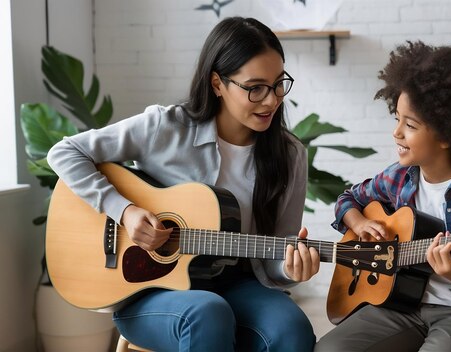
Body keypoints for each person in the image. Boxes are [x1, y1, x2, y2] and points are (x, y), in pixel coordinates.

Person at [48, 17, 319, 352]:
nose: (271, 100)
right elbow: (65, 152)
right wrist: (125, 212)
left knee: (293, 331)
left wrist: (293, 267)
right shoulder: (165, 126)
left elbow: (279, 249)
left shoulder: (290, 155)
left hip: (238, 283)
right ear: (217, 83)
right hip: (148, 289)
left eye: (279, 84)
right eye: (255, 88)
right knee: (207, 312)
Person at [315, 41, 451, 352]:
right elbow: (348, 199)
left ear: (447, 134)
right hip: (400, 306)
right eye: (397, 119)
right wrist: (359, 222)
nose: (396, 132)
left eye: (410, 125)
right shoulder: (399, 178)